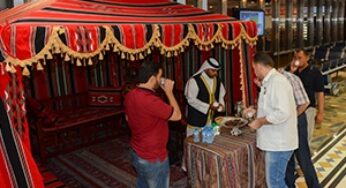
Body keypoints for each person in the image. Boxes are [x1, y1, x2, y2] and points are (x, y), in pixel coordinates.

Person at [243, 53, 298, 188]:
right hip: (275, 142)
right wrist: (256, 111)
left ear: (260, 66)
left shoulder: (277, 82)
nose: (254, 72)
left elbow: (282, 112)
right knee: (275, 182)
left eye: (254, 68)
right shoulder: (270, 82)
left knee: (275, 183)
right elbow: (272, 106)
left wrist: (260, 121)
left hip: (279, 144)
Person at [124, 61, 181, 188]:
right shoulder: (152, 101)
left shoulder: (130, 95)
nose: (161, 80)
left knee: (143, 184)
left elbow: (128, 118)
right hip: (153, 158)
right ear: (151, 78)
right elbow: (177, 116)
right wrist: (169, 92)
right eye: (159, 77)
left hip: (137, 151)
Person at [278, 70, 321, 188]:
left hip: (296, 119)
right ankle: (289, 185)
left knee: (303, 157)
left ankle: (315, 186)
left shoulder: (290, 79)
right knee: (288, 158)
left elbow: (304, 103)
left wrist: (291, 118)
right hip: (285, 122)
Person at [288, 49, 325, 142]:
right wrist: (291, 71)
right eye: (295, 58)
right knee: (294, 136)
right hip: (293, 108)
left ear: (307, 58)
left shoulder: (314, 72)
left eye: (300, 58)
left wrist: (320, 112)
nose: (297, 60)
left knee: (306, 136)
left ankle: (305, 155)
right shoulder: (291, 70)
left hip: (308, 108)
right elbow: (284, 83)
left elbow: (320, 92)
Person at [184, 57, 226, 137]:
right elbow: (191, 100)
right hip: (196, 121)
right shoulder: (194, 81)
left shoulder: (217, 80)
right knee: (195, 143)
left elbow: (221, 94)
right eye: (213, 71)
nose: (216, 73)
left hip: (210, 121)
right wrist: (208, 107)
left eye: (216, 71)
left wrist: (221, 105)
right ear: (206, 69)